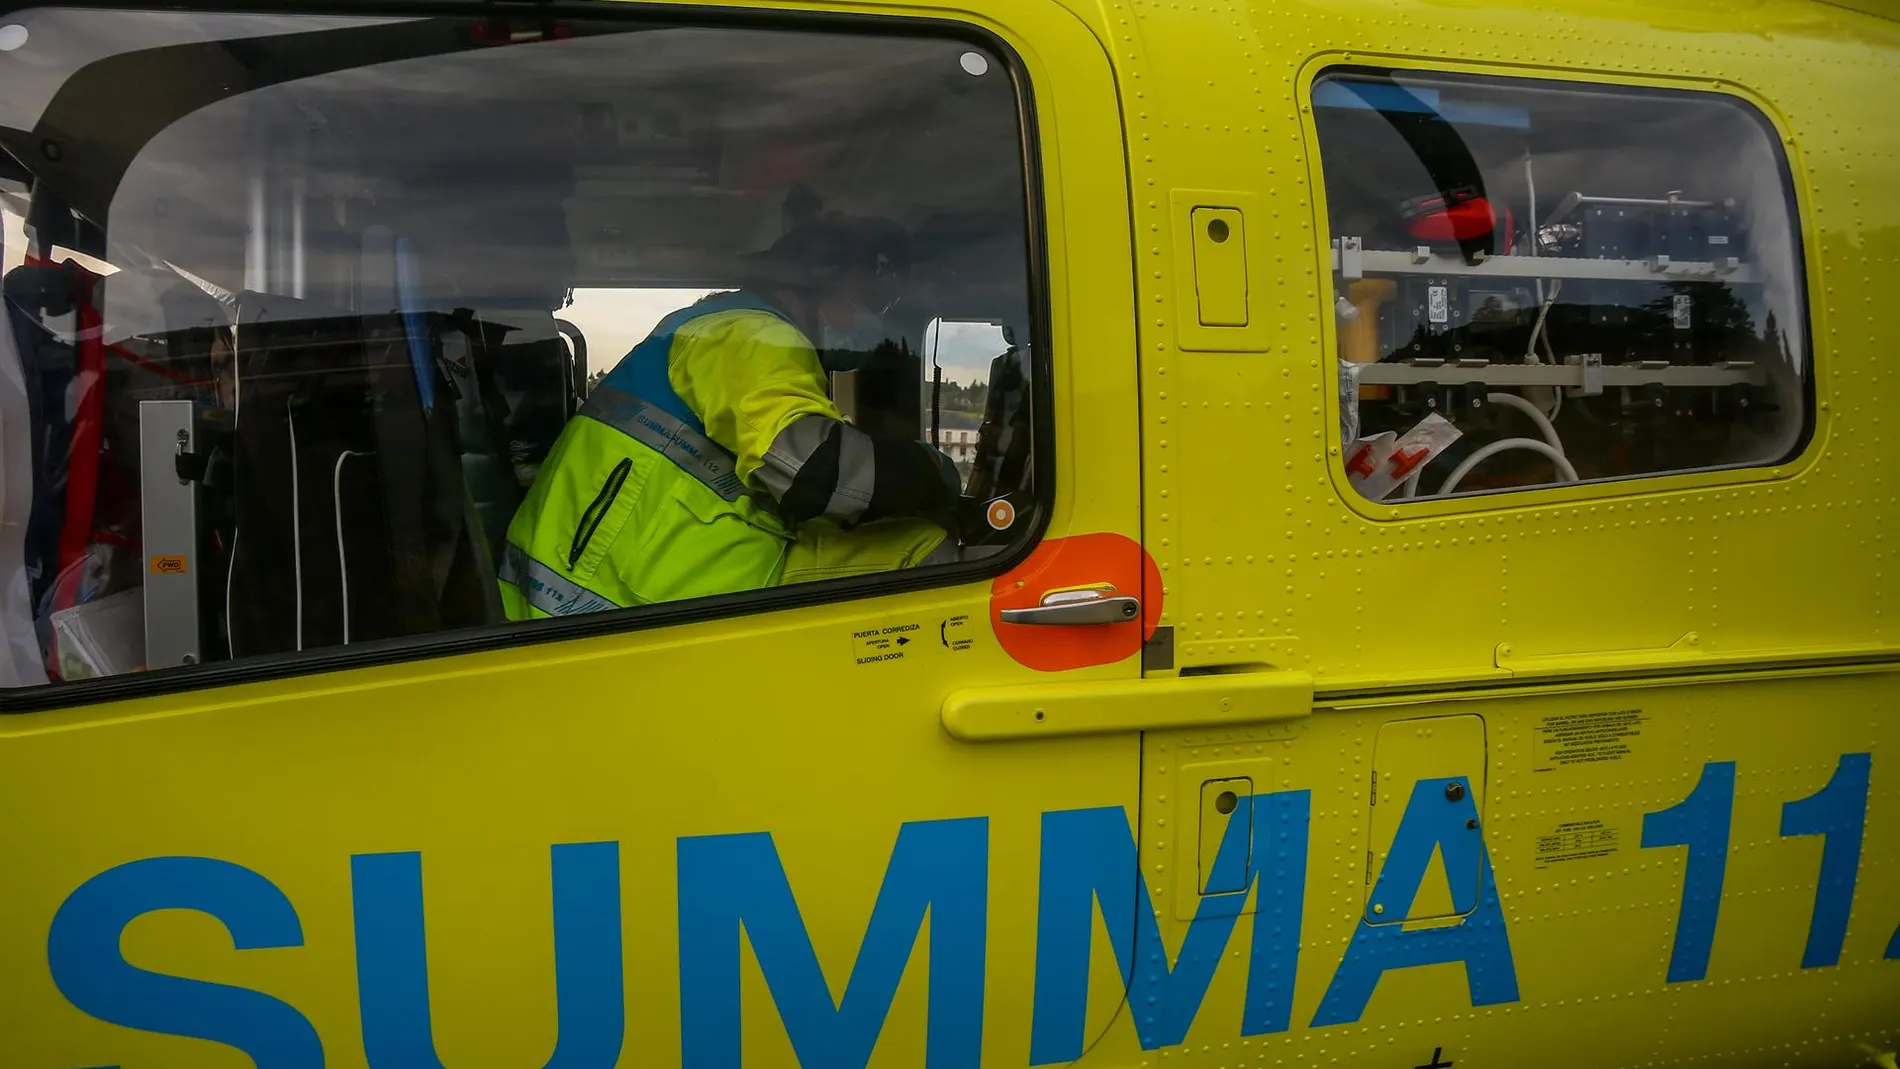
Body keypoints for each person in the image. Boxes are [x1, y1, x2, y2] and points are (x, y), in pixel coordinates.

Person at [497, 213, 960, 619]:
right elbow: (816, 471)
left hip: (597, 581)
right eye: (871, 298)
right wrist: (933, 471)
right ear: (818, 279)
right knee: (919, 547)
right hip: (623, 601)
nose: (876, 317)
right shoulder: (752, 335)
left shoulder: (714, 326)